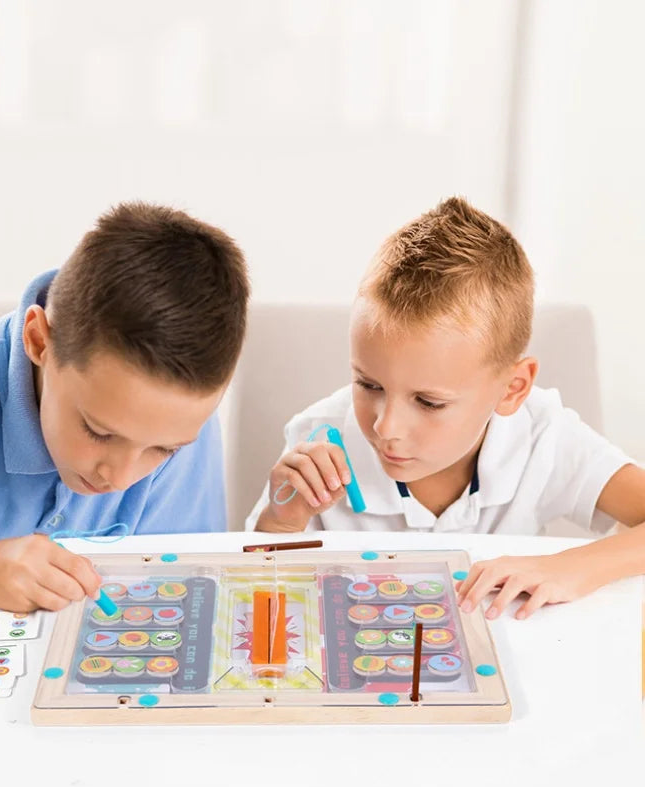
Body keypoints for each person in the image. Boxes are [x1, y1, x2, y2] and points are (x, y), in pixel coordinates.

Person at [246, 196, 645, 619]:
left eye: (428, 402)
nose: (386, 426)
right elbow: (257, 604)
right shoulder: (317, 437)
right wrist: (283, 522)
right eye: (368, 384)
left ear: (512, 388)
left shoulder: (543, 437)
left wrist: (571, 566)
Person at [0, 202, 250, 611]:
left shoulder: (176, 423)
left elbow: (187, 589)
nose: (121, 476)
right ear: (39, 341)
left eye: (163, 451)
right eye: (99, 431)